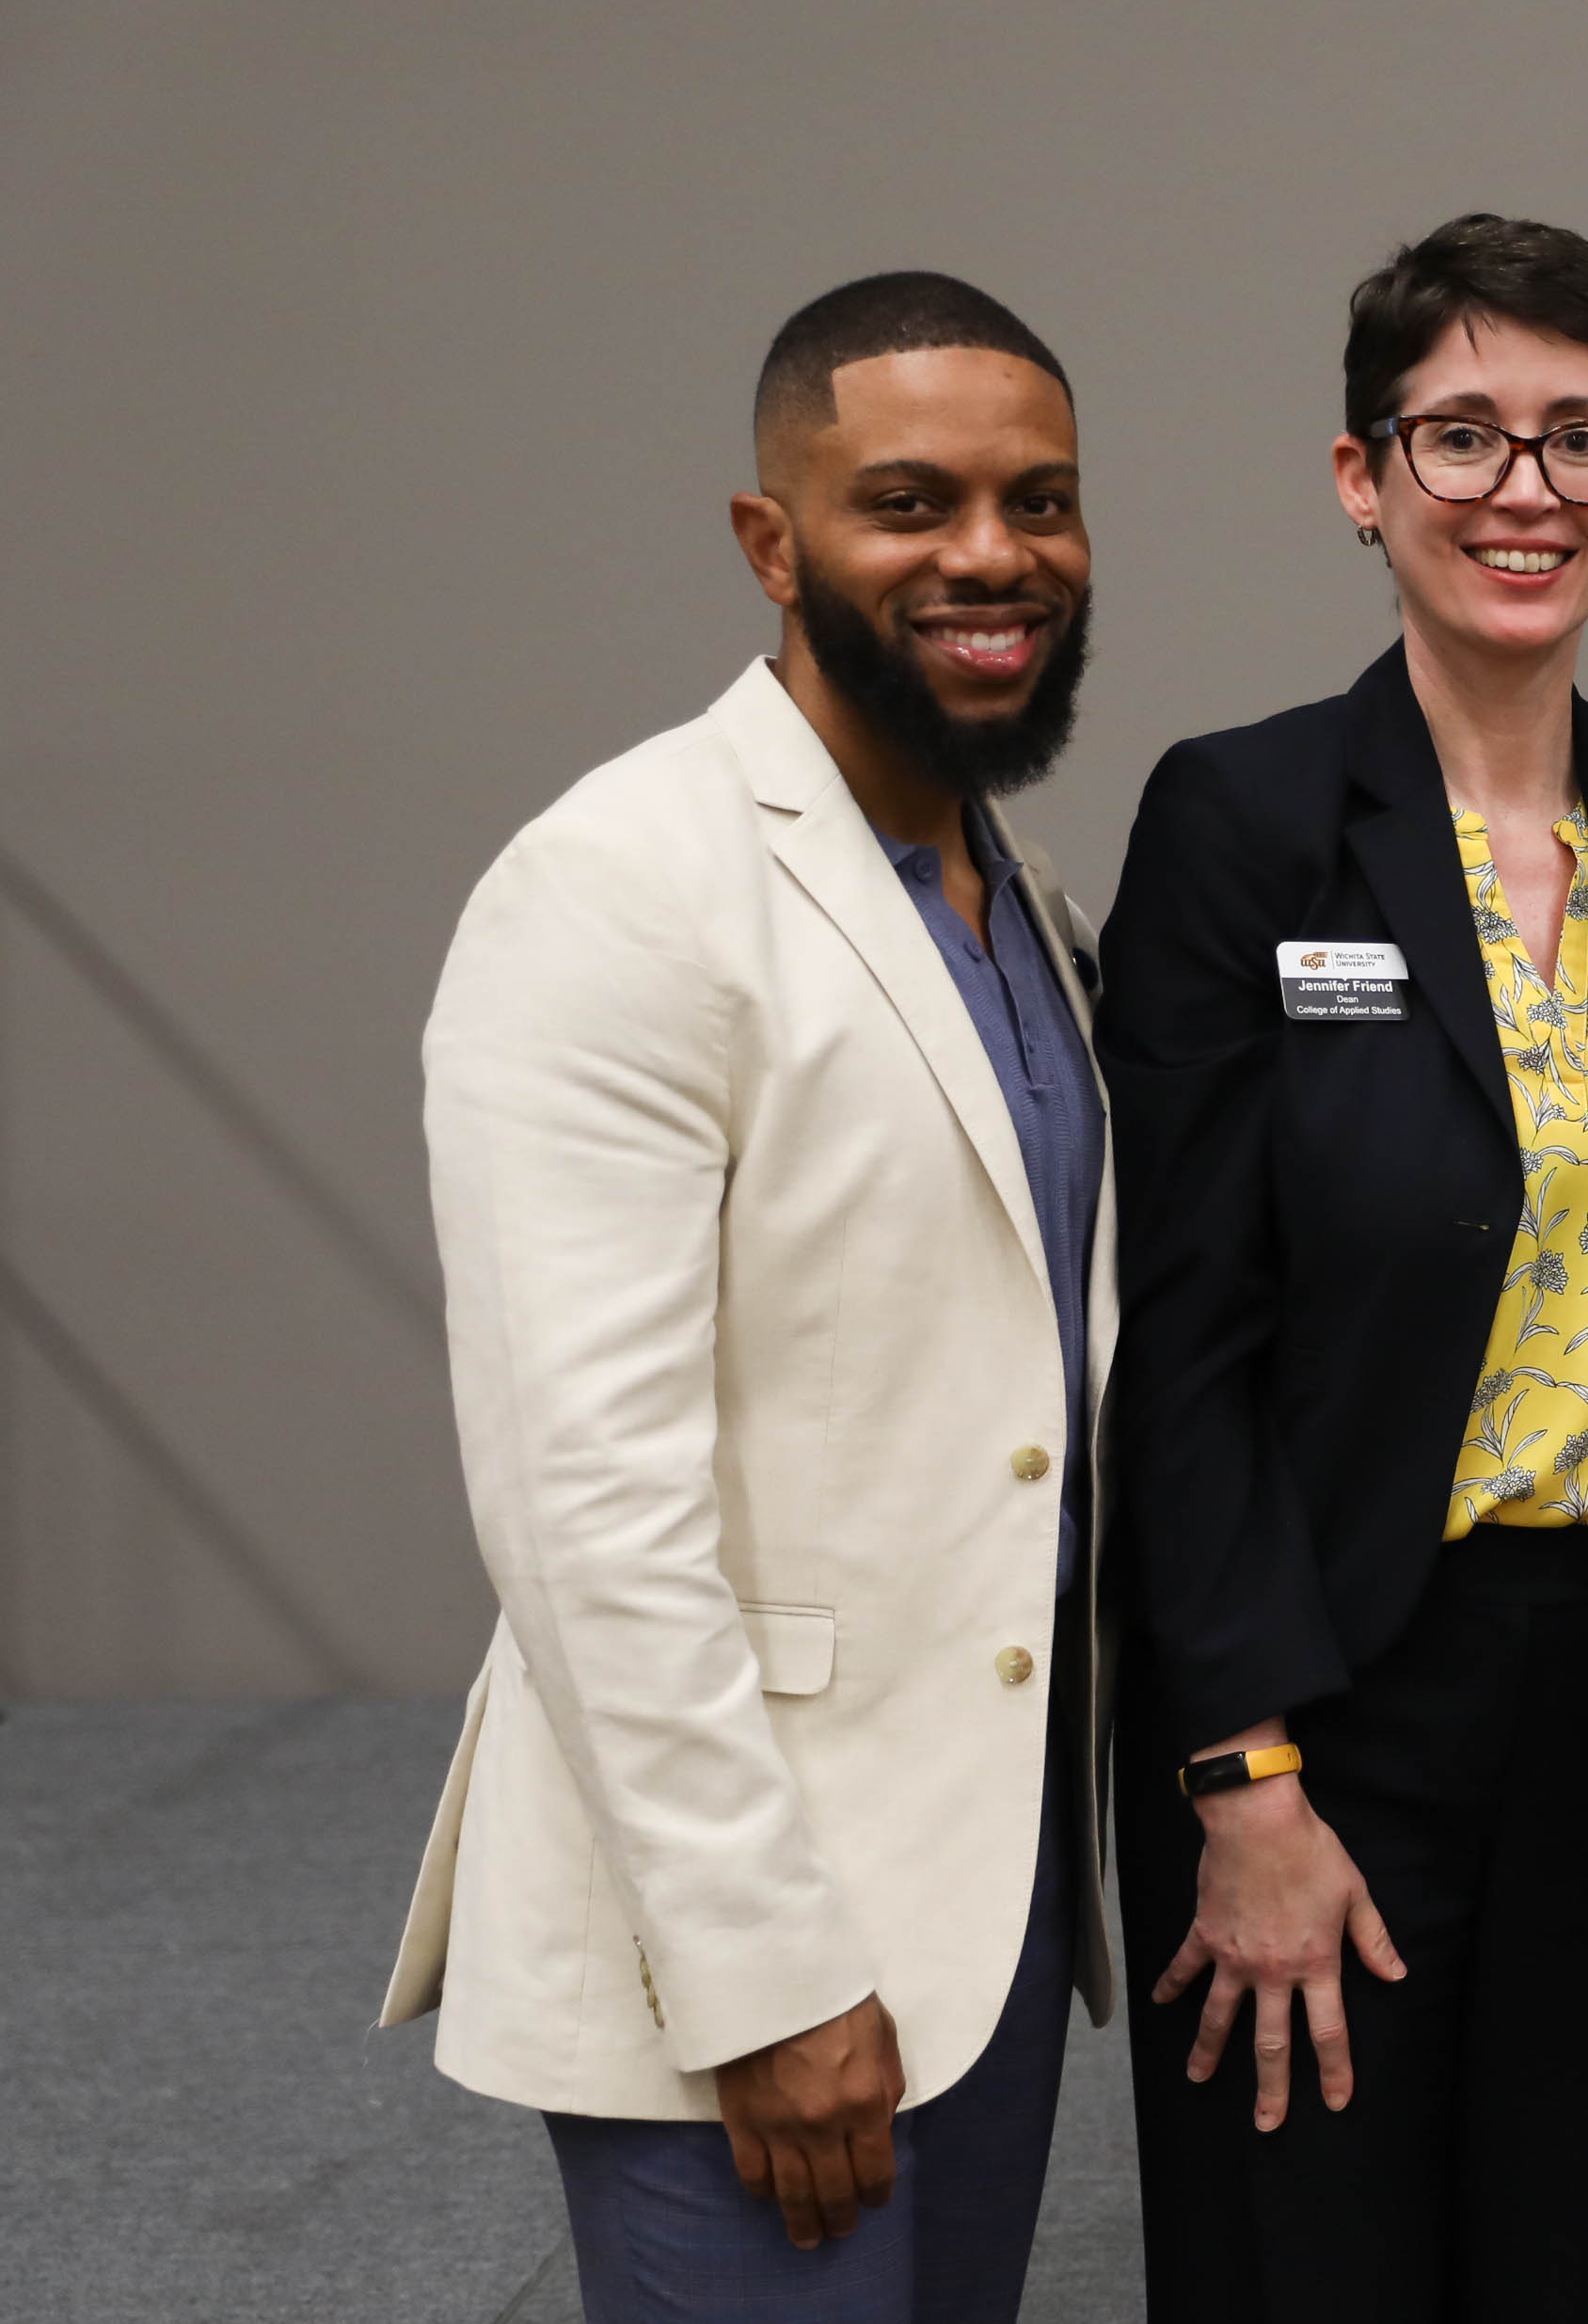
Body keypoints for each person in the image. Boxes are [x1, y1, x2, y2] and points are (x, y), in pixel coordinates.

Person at [1098, 212, 1588, 2320]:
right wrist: (1236, 1770)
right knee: (1300, 2270)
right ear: (1361, 477)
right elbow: (1184, 1339)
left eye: (1577, 440)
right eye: (1461, 436)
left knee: (1574, 2264)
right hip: (1326, 1696)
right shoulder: (1241, 823)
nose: (1523, 491)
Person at [375, 271, 1118, 2321]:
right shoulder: (615, 889)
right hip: (744, 1938)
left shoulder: (1020, 898)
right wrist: (768, 1974)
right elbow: (584, 1501)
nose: (991, 555)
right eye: (910, 501)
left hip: (983, 1896)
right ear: (769, 543)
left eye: (1038, 503)